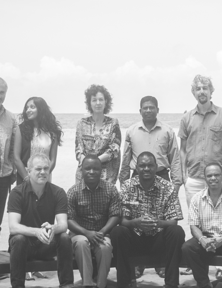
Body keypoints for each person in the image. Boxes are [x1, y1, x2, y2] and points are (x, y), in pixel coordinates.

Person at [119, 95, 182, 279]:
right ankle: (138, 264)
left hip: (161, 175)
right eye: (145, 108)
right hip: (137, 177)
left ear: (157, 110)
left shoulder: (167, 131)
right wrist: (123, 181)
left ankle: (161, 263)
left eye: (151, 107)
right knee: (136, 220)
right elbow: (126, 156)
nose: (148, 110)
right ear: (140, 111)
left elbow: (175, 158)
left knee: (161, 220)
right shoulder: (131, 131)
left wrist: (176, 184)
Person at [110, 152, 185, 288]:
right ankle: (125, 283)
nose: (146, 168)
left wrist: (157, 223)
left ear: (156, 167)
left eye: (150, 165)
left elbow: (173, 221)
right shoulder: (127, 186)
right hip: (135, 239)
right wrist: (137, 222)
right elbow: (123, 221)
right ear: (137, 168)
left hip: (159, 239)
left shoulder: (167, 187)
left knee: (177, 231)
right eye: (142, 165)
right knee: (117, 232)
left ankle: (171, 284)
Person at [7, 153, 74, 288]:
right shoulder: (17, 193)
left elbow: (63, 224)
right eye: (38, 169)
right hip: (23, 247)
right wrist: (36, 231)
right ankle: (17, 286)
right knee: (18, 238)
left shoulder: (58, 192)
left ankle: (67, 284)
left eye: (46, 169)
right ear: (28, 170)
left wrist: (54, 228)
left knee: (65, 237)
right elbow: (13, 226)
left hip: (46, 245)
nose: (43, 172)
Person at [182, 163, 222, 288]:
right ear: (205, 178)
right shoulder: (197, 198)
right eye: (209, 175)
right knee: (187, 248)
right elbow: (193, 226)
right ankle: (204, 284)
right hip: (206, 238)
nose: (213, 178)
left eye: (216, 175)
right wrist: (202, 239)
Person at [179, 74, 222, 207]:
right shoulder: (186, 118)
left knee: (221, 219)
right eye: (198, 89)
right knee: (195, 220)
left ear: (211, 91)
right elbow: (183, 150)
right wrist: (184, 176)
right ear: (194, 93)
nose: (201, 91)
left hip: (218, 177)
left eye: (205, 88)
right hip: (193, 178)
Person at [67, 154, 121, 288]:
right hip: (79, 234)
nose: (91, 172)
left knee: (105, 246)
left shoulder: (111, 189)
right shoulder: (73, 192)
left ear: (102, 171)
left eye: (95, 169)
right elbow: (69, 219)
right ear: (82, 170)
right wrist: (86, 233)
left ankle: (101, 285)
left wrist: (102, 232)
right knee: (81, 243)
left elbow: (115, 215)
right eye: (87, 168)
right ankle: (88, 284)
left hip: (102, 234)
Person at [75, 84, 121, 184]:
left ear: (106, 102)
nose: (98, 103)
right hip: (85, 173)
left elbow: (114, 149)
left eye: (101, 99)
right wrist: (87, 164)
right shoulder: (81, 123)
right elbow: (79, 149)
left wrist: (94, 162)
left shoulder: (113, 123)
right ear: (89, 103)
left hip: (107, 175)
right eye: (94, 100)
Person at [14, 97, 63, 184]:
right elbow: (16, 158)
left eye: (32, 107)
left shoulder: (53, 132)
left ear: (41, 109)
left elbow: (52, 161)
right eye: (27, 108)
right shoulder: (21, 129)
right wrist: (27, 179)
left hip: (44, 178)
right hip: (24, 178)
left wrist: (43, 176)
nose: (28, 110)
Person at [0, 77, 16, 235]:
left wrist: (13, 172)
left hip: (3, 177)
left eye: (2, 92)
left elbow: (13, 150)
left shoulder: (11, 118)